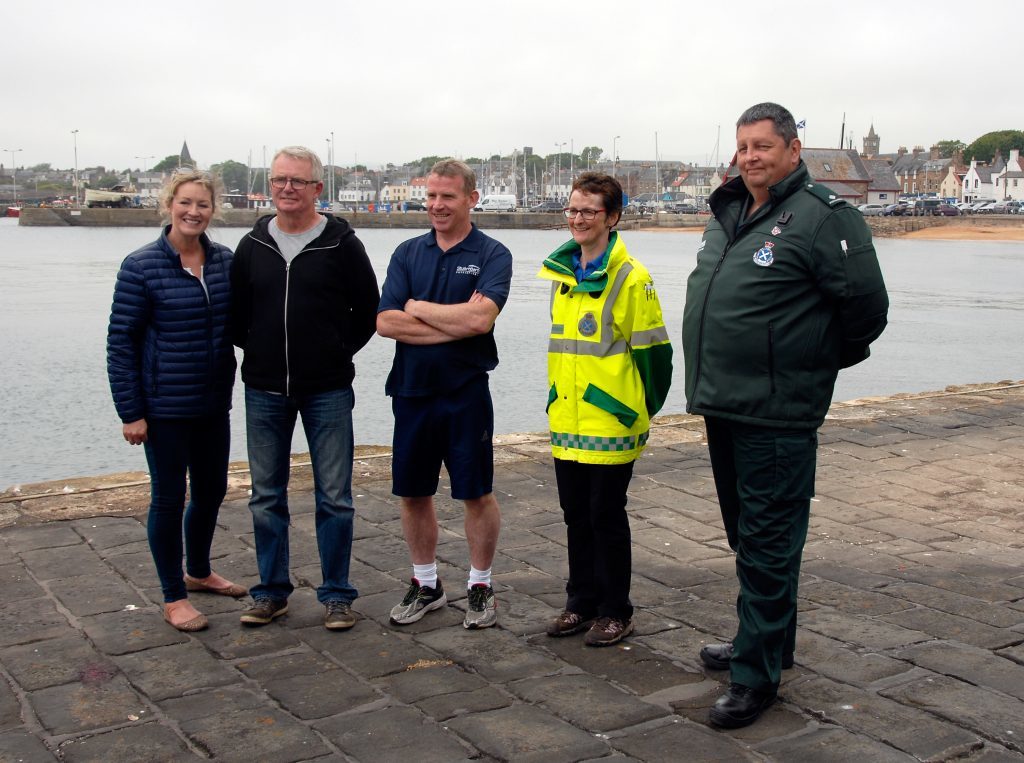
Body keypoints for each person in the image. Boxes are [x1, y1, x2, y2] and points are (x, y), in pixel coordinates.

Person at [682, 102, 889, 728]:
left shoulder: (825, 217)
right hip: (722, 401)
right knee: (749, 537)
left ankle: (756, 678)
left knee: (769, 542)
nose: (750, 157)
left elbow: (866, 311)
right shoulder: (727, 211)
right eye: (743, 146)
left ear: (793, 150)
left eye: (763, 147)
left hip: (778, 411)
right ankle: (766, 640)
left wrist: (807, 364)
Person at [230, 146, 379, 631]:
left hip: (328, 390)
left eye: (297, 181)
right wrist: (260, 348)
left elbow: (368, 311)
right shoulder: (253, 246)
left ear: (317, 188)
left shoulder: (342, 244)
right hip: (264, 389)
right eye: (279, 181)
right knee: (265, 495)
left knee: (334, 496)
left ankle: (337, 595)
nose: (287, 189)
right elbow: (236, 316)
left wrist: (334, 352)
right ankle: (271, 591)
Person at [376, 159, 512, 630]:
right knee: (413, 493)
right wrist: (450, 321)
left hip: (466, 392)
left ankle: (480, 584)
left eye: (447, 196)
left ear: (471, 199)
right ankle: (427, 583)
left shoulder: (493, 254)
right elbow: (384, 323)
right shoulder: (406, 253)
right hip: (412, 393)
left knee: (476, 493)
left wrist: (416, 308)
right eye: (431, 196)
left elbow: (480, 321)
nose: (436, 205)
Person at [538, 173, 673, 646]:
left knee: (605, 514)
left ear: (612, 218)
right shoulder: (561, 276)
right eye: (572, 210)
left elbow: (656, 356)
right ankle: (581, 602)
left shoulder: (631, 278)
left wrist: (638, 410)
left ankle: (616, 609)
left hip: (611, 422)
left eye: (588, 211)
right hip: (568, 420)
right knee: (575, 512)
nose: (577, 219)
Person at [107, 170, 244, 632]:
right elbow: (121, 343)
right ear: (169, 204)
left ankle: (199, 571)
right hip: (163, 407)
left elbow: (245, 322)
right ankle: (173, 596)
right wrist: (131, 412)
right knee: (169, 498)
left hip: (211, 402)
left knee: (212, 491)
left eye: (202, 205)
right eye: (185, 203)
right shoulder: (141, 266)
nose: (193, 212)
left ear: (213, 209)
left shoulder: (224, 261)